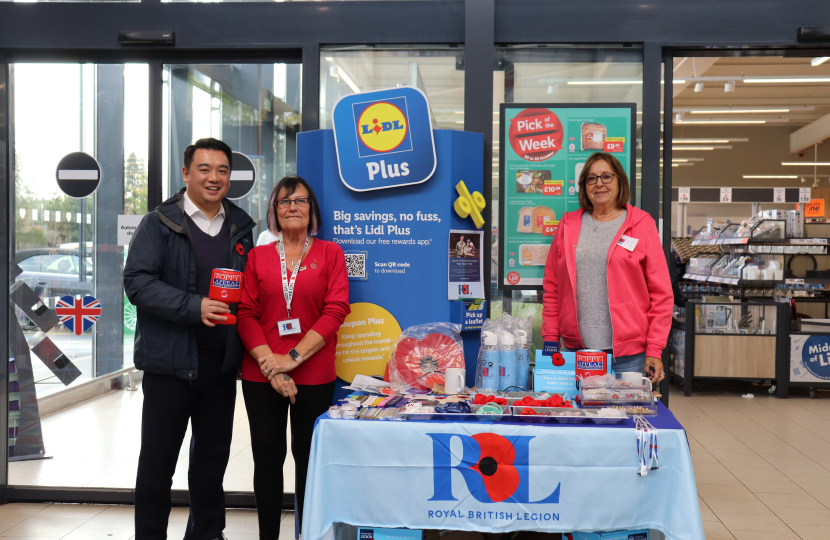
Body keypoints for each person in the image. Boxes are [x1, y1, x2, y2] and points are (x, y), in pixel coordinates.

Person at [124, 138, 255, 539]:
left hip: (220, 368)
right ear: (186, 173)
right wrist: (193, 306)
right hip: (170, 366)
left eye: (222, 170)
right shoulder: (159, 223)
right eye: (204, 169)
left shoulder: (240, 227)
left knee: (211, 467)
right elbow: (137, 282)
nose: (214, 178)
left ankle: (207, 535)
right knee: (157, 468)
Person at [237, 176, 350, 539]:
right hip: (262, 372)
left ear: (311, 209)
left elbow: (336, 310)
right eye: (284, 202)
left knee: (308, 458)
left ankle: (307, 534)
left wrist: (292, 358)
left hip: (314, 371)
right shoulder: (257, 257)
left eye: (300, 201)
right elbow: (245, 314)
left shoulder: (331, 253)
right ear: (274, 211)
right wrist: (272, 365)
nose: (292, 207)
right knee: (267, 457)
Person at [542, 152, 672, 384]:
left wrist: (655, 348)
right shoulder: (567, 225)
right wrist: (551, 337)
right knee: (578, 407)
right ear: (584, 186)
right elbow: (552, 287)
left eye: (606, 176)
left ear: (620, 181)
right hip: (576, 350)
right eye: (591, 178)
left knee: (625, 408)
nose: (599, 183)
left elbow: (661, 293)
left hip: (629, 355)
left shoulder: (642, 224)